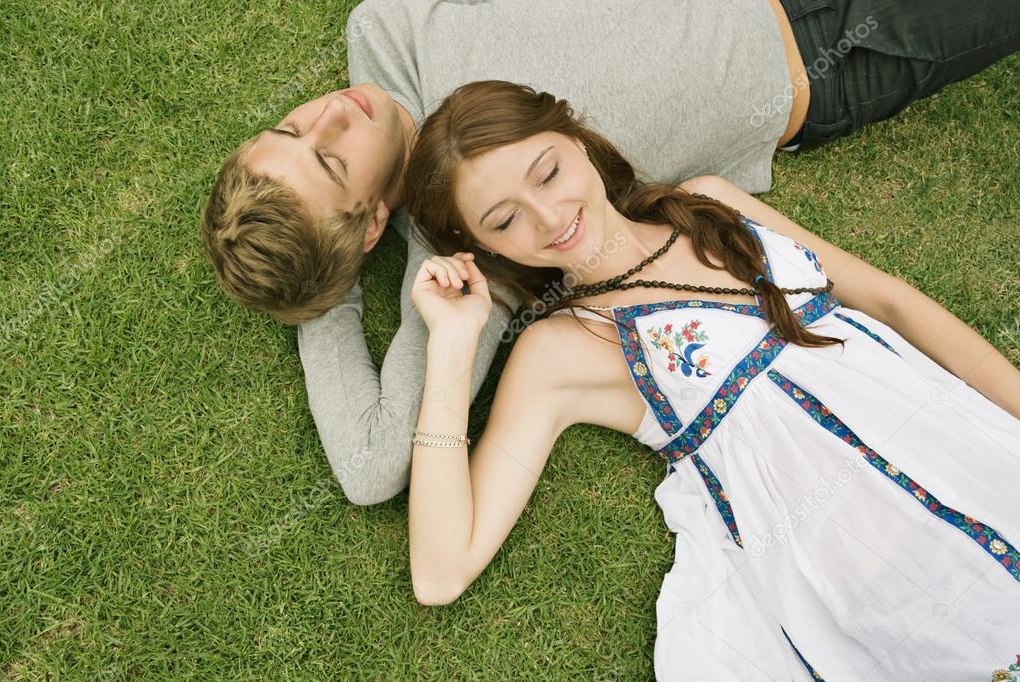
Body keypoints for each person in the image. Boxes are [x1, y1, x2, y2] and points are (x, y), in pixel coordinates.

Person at [200, 0, 1020, 505]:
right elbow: (370, 467)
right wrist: (328, 288)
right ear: (371, 225)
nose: (329, 114)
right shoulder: (471, 246)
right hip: (836, 61)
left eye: (290, 128)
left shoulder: (386, 25)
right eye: (330, 160)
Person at [401, 81, 1020, 680]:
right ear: (479, 245)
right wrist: (452, 347)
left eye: (548, 173)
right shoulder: (563, 347)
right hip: (877, 573)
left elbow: (889, 304)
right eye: (505, 220)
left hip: (976, 463)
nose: (549, 215)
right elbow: (441, 572)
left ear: (577, 141)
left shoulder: (708, 204)